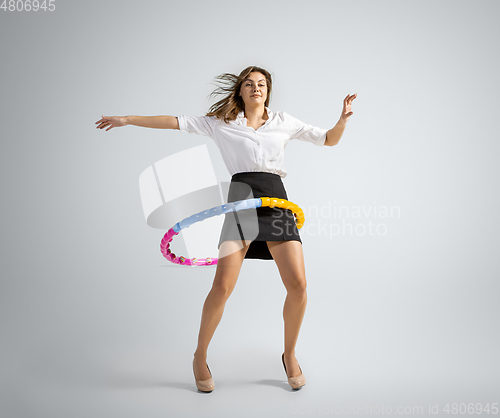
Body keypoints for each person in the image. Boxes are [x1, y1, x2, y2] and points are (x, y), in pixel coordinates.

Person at [95, 65, 356, 392]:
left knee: (299, 286)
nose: (256, 88)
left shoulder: (284, 122)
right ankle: (199, 356)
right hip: (241, 199)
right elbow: (175, 122)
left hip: (276, 200)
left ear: (268, 91)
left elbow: (328, 140)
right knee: (222, 287)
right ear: (241, 90)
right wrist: (128, 119)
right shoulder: (221, 123)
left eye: (261, 84)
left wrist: (342, 120)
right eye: (249, 84)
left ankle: (289, 355)